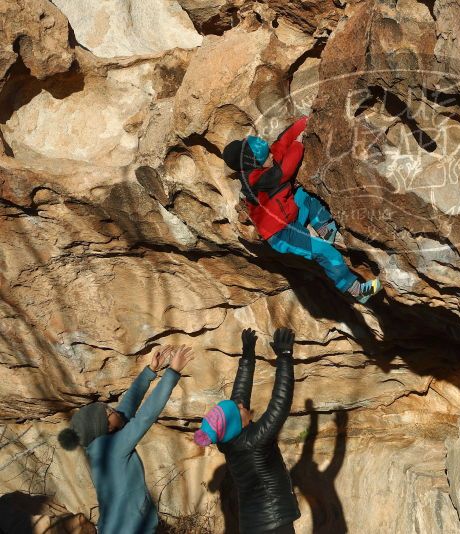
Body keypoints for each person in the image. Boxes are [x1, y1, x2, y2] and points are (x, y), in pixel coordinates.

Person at [222, 117, 382, 304]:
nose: (272, 157)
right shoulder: (255, 181)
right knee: (325, 252)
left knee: (306, 197)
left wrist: (307, 120)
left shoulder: (266, 159)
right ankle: (357, 290)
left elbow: (281, 142)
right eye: (267, 158)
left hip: (290, 215)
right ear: (254, 164)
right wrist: (298, 146)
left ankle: (326, 230)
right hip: (281, 234)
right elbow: (285, 171)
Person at [57, 344, 195, 534]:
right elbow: (144, 417)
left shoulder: (100, 446)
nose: (114, 409)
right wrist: (172, 372)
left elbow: (125, 409)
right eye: (109, 411)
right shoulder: (114, 448)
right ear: (106, 427)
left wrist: (150, 371)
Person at [194, 327, 299, 533]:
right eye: (239, 409)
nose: (242, 405)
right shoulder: (255, 440)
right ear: (237, 423)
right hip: (275, 523)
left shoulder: (227, 441)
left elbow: (239, 397)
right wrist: (285, 357)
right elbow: (280, 402)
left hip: (250, 526)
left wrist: (248, 355)